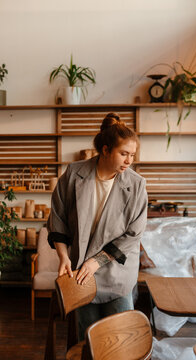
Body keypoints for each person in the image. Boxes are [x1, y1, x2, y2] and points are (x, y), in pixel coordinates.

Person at [47, 112, 148, 340]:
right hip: (81, 273)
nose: (129, 161)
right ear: (105, 150)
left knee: (119, 341)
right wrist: (64, 258)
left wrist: (96, 262)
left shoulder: (136, 185)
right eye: (123, 154)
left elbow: (133, 235)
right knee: (86, 340)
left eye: (132, 155)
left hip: (117, 275)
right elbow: (57, 219)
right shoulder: (74, 174)